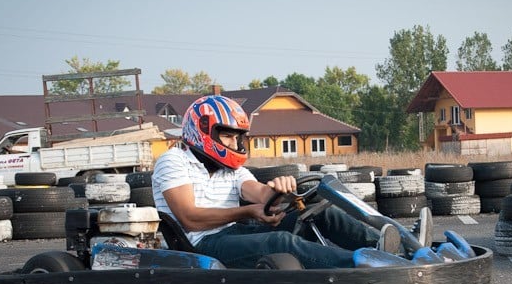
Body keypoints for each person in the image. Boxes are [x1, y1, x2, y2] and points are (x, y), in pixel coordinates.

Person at [152, 94, 405, 269]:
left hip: (233, 234)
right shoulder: (173, 161)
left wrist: (279, 190)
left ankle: (393, 248)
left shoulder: (229, 168)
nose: (234, 143)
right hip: (200, 245)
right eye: (228, 136)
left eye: (237, 137)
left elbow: (260, 195)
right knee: (280, 243)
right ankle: (363, 263)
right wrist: (247, 212)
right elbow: (189, 218)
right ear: (203, 131)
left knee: (317, 215)